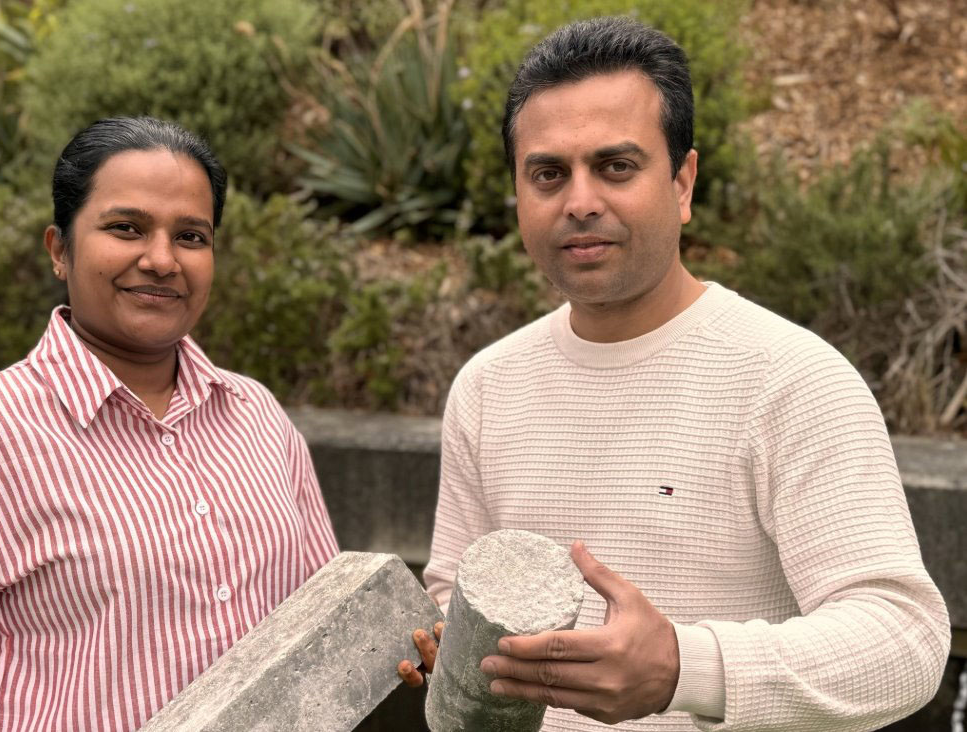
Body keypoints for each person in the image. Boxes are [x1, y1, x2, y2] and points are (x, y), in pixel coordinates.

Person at [398, 16, 950, 731]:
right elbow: (452, 585)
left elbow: (905, 639)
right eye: (548, 173)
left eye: (616, 166)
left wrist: (684, 669)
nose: (580, 200)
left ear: (683, 182)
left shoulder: (792, 381)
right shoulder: (486, 386)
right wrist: (449, 638)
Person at [0, 117, 339, 732]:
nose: (161, 260)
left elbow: (327, 617)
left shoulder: (256, 415)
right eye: (126, 228)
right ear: (59, 249)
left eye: (191, 236)